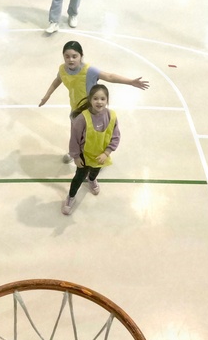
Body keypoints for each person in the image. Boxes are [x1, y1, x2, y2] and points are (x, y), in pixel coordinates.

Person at [38, 40, 149, 162]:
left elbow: (109, 76)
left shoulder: (89, 71)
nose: (71, 60)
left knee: (92, 136)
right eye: (67, 56)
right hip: (75, 108)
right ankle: (75, 152)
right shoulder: (63, 69)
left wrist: (131, 82)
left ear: (81, 56)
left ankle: (96, 158)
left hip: (93, 110)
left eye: (75, 56)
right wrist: (47, 96)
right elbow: (57, 80)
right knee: (75, 132)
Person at [62, 84, 119, 215]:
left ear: (107, 100)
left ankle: (92, 180)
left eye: (102, 99)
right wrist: (75, 156)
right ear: (90, 100)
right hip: (84, 156)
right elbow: (74, 139)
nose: (99, 102)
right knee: (79, 177)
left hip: (101, 155)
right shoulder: (82, 118)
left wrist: (107, 153)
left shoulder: (112, 116)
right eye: (95, 98)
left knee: (95, 171)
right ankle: (71, 197)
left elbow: (116, 136)